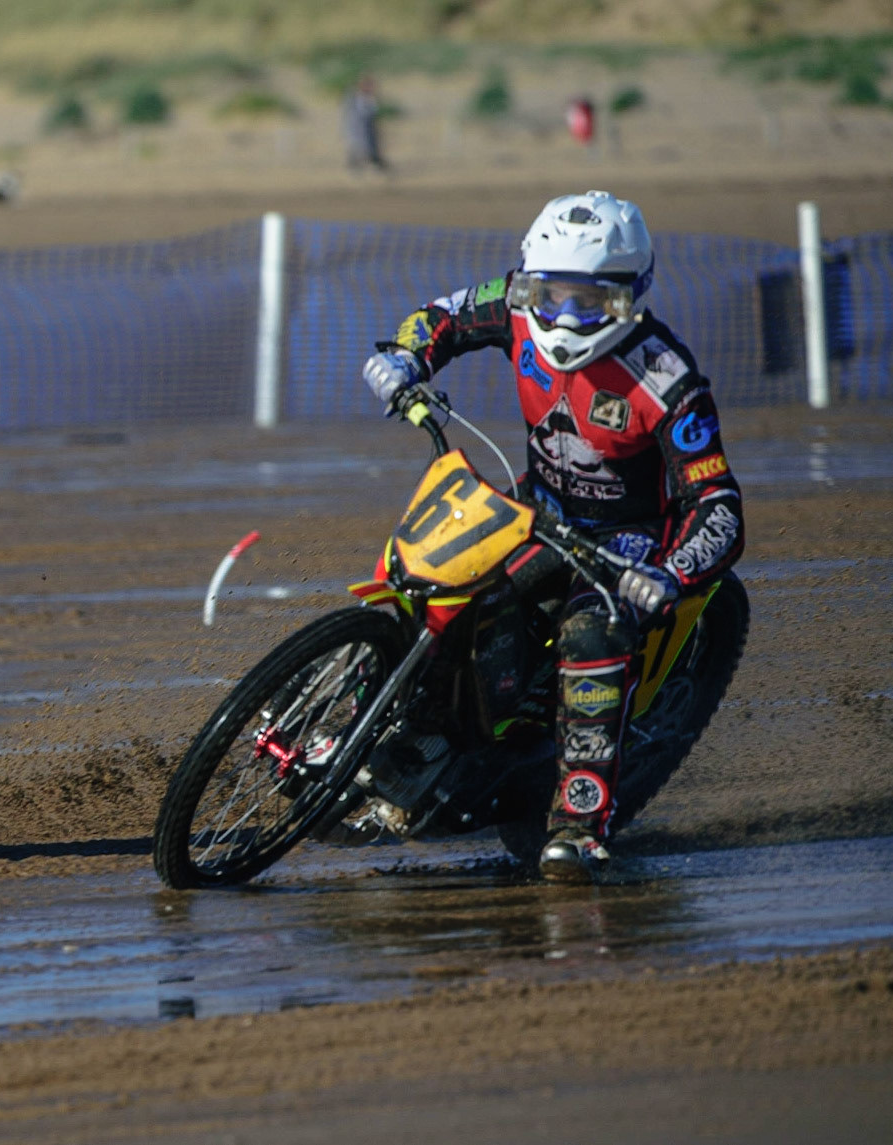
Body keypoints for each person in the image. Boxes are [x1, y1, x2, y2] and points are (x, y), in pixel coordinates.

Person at [360, 190, 744, 884]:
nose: (565, 316)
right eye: (551, 294)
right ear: (530, 279)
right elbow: (439, 317)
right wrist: (406, 356)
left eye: (589, 301)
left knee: (591, 639)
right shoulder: (511, 302)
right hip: (536, 508)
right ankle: (385, 729)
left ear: (631, 296)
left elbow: (718, 505)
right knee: (436, 584)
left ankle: (579, 823)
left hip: (626, 544)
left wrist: (670, 572)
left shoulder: (669, 380)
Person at [344, 76, 387, 173]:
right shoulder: (355, 98)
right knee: (358, 151)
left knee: (371, 152)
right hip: (358, 131)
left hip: (368, 132)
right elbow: (359, 116)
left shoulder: (368, 99)